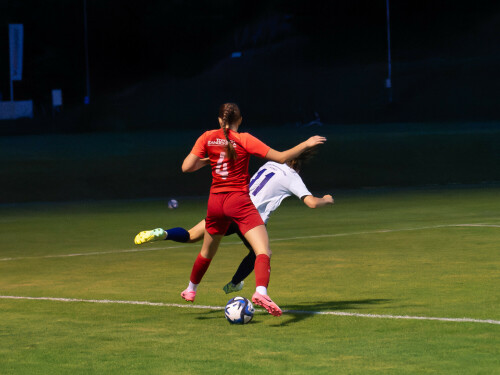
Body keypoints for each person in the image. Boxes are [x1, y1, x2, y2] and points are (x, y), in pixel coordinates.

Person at [158, 103, 325, 316]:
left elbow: (186, 167)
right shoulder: (245, 139)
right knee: (262, 251)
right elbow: (283, 158)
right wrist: (307, 143)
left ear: (220, 120)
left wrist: (212, 158)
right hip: (239, 202)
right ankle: (261, 292)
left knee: (206, 251)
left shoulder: (207, 137)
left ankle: (191, 290)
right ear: (240, 120)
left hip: (215, 202)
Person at [134, 149, 334, 296]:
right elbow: (312, 203)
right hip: (249, 217)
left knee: (192, 235)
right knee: (262, 253)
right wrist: (326, 199)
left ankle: (163, 233)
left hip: (232, 206)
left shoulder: (269, 165)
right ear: (298, 166)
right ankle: (236, 283)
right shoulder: (292, 176)